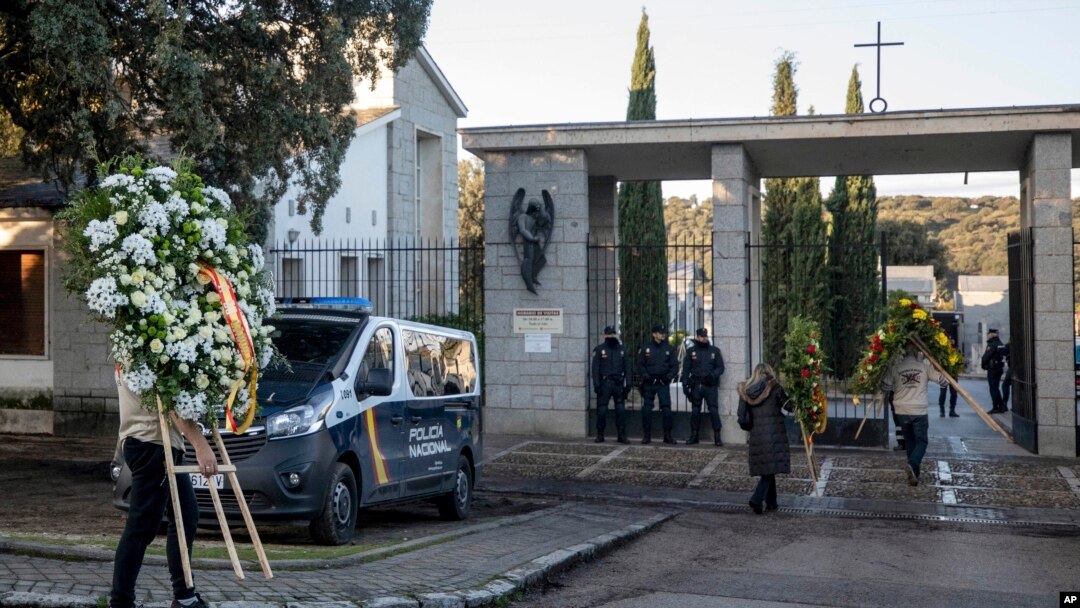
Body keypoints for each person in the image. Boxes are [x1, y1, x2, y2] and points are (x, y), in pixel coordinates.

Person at [111, 370, 216, 608]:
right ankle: (120, 601)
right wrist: (200, 445)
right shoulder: (148, 342)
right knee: (143, 525)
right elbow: (169, 398)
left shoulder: (135, 340)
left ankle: (184, 596)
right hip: (152, 442)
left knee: (186, 516)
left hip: (161, 442)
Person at [881, 343, 946, 486]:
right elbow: (943, 382)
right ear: (917, 353)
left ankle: (914, 474)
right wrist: (940, 366)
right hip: (919, 410)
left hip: (901, 410)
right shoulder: (924, 367)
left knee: (910, 441)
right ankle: (913, 463)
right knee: (922, 441)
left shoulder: (895, 367)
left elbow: (885, 386)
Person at [738, 363, 791, 514]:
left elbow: (742, 418)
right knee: (769, 470)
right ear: (770, 372)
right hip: (774, 435)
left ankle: (772, 503)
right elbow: (789, 406)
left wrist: (751, 428)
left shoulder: (745, 391)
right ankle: (756, 499)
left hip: (757, 435)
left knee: (768, 468)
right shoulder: (775, 388)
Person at [680, 327, 725, 446]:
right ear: (697, 337)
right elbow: (686, 369)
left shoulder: (714, 351)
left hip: (710, 385)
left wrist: (713, 375)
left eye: (706, 336)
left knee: (713, 410)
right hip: (696, 385)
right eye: (702, 336)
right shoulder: (691, 351)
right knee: (695, 411)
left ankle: (717, 436)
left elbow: (720, 367)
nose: (704, 338)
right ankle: (694, 435)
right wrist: (685, 383)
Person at [636, 324, 678, 444]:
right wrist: (646, 377)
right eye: (660, 333)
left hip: (663, 382)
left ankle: (667, 435)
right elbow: (640, 364)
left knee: (666, 409)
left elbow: (674, 366)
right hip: (649, 382)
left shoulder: (669, 349)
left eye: (663, 333)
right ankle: (647, 435)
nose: (662, 334)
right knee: (647, 409)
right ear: (654, 334)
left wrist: (668, 377)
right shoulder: (646, 348)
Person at [591, 325, 632, 444]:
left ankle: (621, 434)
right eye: (609, 334)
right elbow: (595, 369)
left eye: (613, 334)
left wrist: (628, 384)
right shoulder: (599, 349)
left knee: (620, 410)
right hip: (605, 383)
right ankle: (600, 434)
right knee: (602, 410)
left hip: (618, 383)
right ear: (605, 335)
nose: (611, 336)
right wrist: (596, 385)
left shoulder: (622, 349)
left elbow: (627, 368)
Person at [981, 328, 1008, 413]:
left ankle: (996, 407)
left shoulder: (992, 344)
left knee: (993, 388)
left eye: (988, 334)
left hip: (992, 368)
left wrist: (983, 365)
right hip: (999, 368)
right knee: (996, 387)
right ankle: (1001, 406)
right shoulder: (1000, 343)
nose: (987, 336)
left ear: (992, 335)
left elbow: (985, 357)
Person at [938, 337, 959, 417]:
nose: (952, 341)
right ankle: (942, 411)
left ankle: (952, 410)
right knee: (943, 393)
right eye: (950, 340)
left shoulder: (956, 350)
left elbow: (959, 360)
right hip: (944, 374)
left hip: (953, 374)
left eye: (952, 340)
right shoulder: (943, 351)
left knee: (954, 393)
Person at [1001, 342, 1012, 409]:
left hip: (1013, 367)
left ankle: (1004, 404)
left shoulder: (1011, 344)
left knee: (1005, 385)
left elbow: (1003, 351)